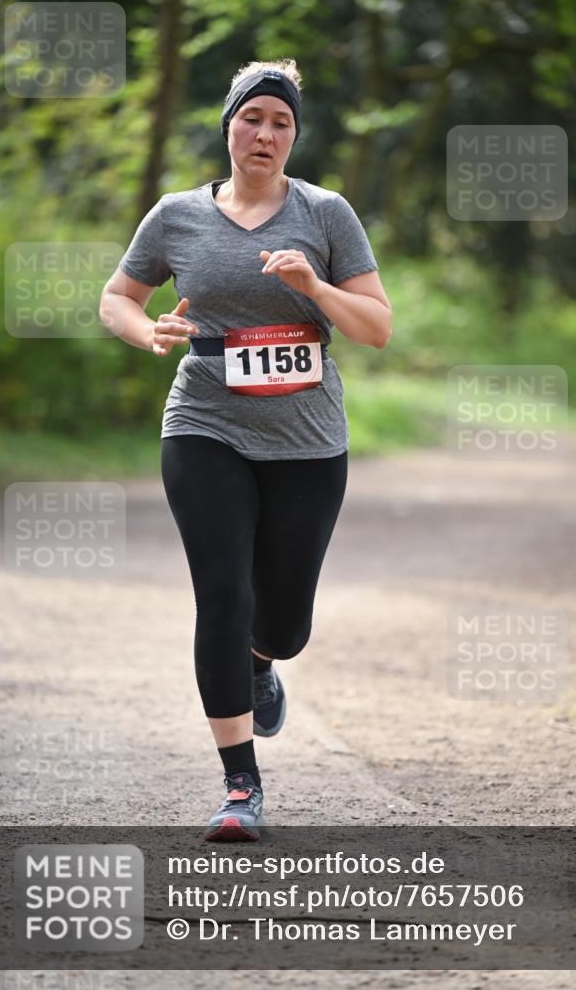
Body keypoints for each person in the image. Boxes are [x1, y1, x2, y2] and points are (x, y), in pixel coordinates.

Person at [99, 58, 392, 840]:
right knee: (221, 596)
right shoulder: (176, 216)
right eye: (251, 118)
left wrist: (315, 289)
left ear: (294, 136)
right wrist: (147, 329)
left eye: (281, 123)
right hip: (204, 423)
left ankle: (264, 664)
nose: (264, 133)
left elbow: (375, 328)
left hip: (306, 436)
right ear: (227, 124)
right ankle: (239, 788)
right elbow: (118, 296)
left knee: (284, 621)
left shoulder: (326, 213)